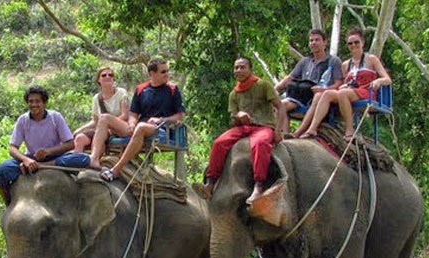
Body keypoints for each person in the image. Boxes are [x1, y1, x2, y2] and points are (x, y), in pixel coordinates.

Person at [200, 57, 286, 204]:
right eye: (236, 68)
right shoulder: (234, 94)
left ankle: (259, 186)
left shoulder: (263, 85)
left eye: (242, 67)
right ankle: (210, 183)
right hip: (243, 128)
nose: (238, 70)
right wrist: (239, 116)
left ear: (250, 69)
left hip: (264, 126)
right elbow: (234, 119)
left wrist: (278, 130)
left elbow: (280, 107)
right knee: (219, 142)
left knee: (259, 144)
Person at [0, 86, 90, 204]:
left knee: (83, 159)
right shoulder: (23, 120)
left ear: (44, 103)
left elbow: (70, 144)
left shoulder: (55, 117)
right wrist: (26, 160)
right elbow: (12, 148)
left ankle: (41, 165)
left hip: (55, 158)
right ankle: (9, 203)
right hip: (31, 158)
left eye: (37, 101)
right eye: (30, 101)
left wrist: (48, 152)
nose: (34, 105)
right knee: (0, 171)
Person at [297, 28, 391, 141]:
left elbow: (387, 79)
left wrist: (378, 81)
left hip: (366, 92)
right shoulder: (346, 64)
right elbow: (345, 83)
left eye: (356, 42)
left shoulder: (371, 59)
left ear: (363, 43)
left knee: (342, 93)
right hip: (349, 91)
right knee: (327, 94)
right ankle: (312, 128)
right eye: (350, 43)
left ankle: (349, 130)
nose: (353, 45)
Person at [99, 58, 184, 181]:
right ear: (152, 73)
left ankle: (116, 170)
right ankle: (93, 159)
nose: (167, 74)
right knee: (105, 118)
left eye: (167, 71)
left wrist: (160, 120)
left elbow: (180, 116)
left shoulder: (172, 89)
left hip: (160, 129)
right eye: (163, 72)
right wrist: (132, 123)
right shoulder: (141, 89)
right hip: (138, 128)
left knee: (141, 127)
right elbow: (133, 113)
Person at [274, 29, 343, 135]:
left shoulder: (333, 61)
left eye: (317, 40)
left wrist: (325, 89)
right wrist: (274, 89)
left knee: (318, 95)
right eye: (311, 40)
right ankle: (284, 135)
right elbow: (289, 78)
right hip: (301, 95)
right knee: (281, 105)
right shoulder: (305, 61)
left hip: (320, 96)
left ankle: (298, 133)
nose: (313, 43)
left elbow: (339, 83)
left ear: (325, 42)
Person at [70, 67, 130, 168]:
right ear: (99, 79)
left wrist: (108, 124)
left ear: (113, 79)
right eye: (104, 75)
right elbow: (95, 121)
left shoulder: (121, 93)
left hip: (121, 128)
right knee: (80, 138)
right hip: (103, 129)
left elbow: (125, 115)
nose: (107, 77)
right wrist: (79, 130)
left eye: (110, 75)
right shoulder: (96, 98)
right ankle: (76, 165)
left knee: (105, 118)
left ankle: (94, 158)